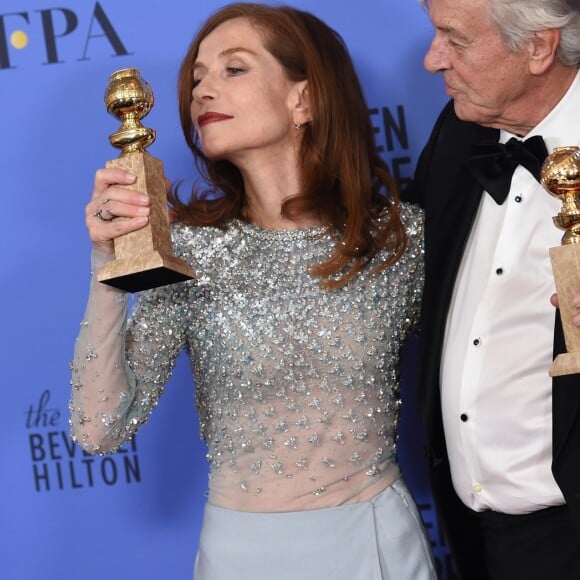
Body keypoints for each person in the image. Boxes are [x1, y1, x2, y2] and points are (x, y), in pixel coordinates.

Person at [69, 3, 436, 579]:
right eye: (197, 79)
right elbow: (98, 429)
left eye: (233, 69)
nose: (202, 91)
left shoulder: (398, 239)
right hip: (243, 555)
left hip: (377, 545)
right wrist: (109, 264)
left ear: (304, 99)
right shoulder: (191, 253)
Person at [402, 0, 580, 578]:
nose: (432, 60)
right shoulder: (457, 134)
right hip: (479, 542)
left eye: (454, 40)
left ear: (539, 47)